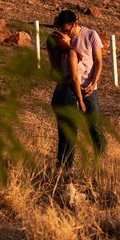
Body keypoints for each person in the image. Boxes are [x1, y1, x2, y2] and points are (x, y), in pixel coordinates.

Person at [53, 10, 106, 158]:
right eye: (61, 30)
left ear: (75, 24)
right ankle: (64, 164)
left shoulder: (90, 35)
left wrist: (93, 83)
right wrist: (64, 45)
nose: (64, 33)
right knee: (68, 131)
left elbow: (99, 62)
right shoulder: (62, 39)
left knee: (94, 126)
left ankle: (102, 160)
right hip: (69, 87)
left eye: (66, 30)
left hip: (88, 87)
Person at [47, 30, 86, 182]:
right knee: (71, 136)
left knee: (63, 136)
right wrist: (81, 100)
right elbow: (75, 79)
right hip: (68, 95)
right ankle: (68, 172)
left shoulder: (59, 56)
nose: (66, 34)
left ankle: (59, 169)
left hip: (57, 95)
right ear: (63, 41)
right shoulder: (71, 54)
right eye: (63, 35)